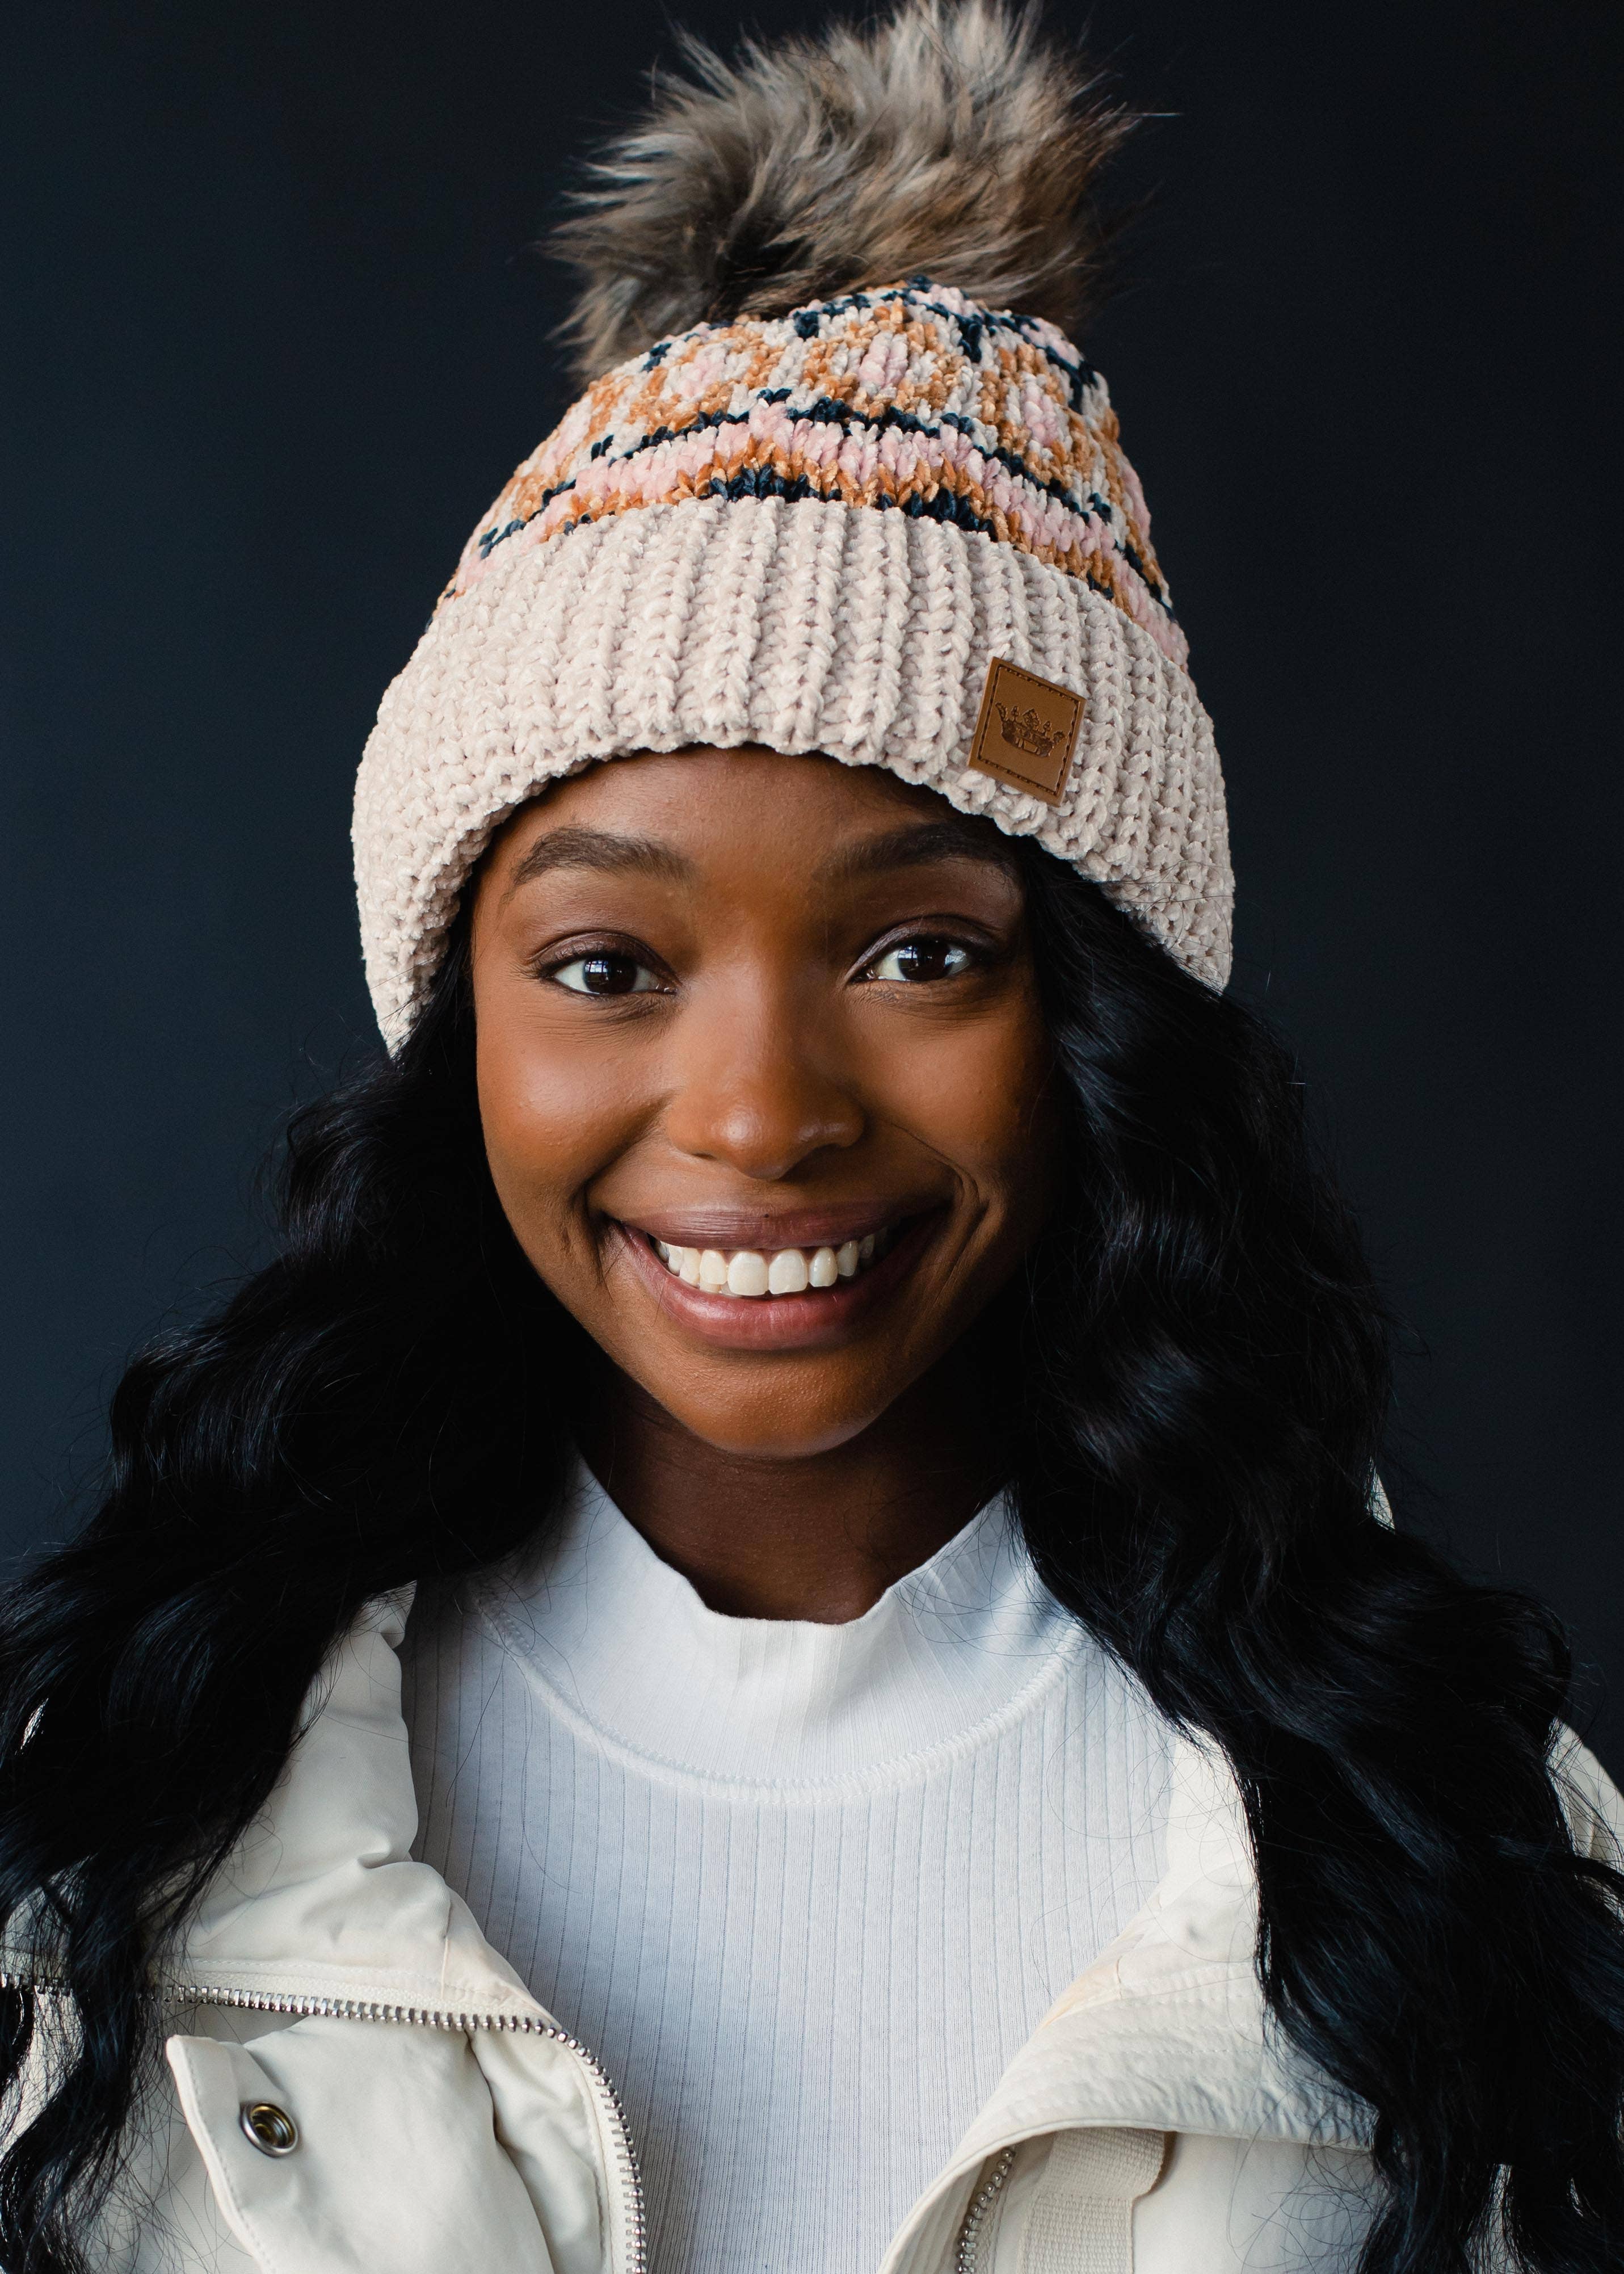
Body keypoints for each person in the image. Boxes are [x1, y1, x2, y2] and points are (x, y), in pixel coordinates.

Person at [3, 5, 1621, 2269]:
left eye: (918, 954)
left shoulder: (1450, 1850)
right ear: (452, 1018)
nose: (758, 1118)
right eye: (603, 967)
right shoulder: (132, 1829)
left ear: (1096, 1018)